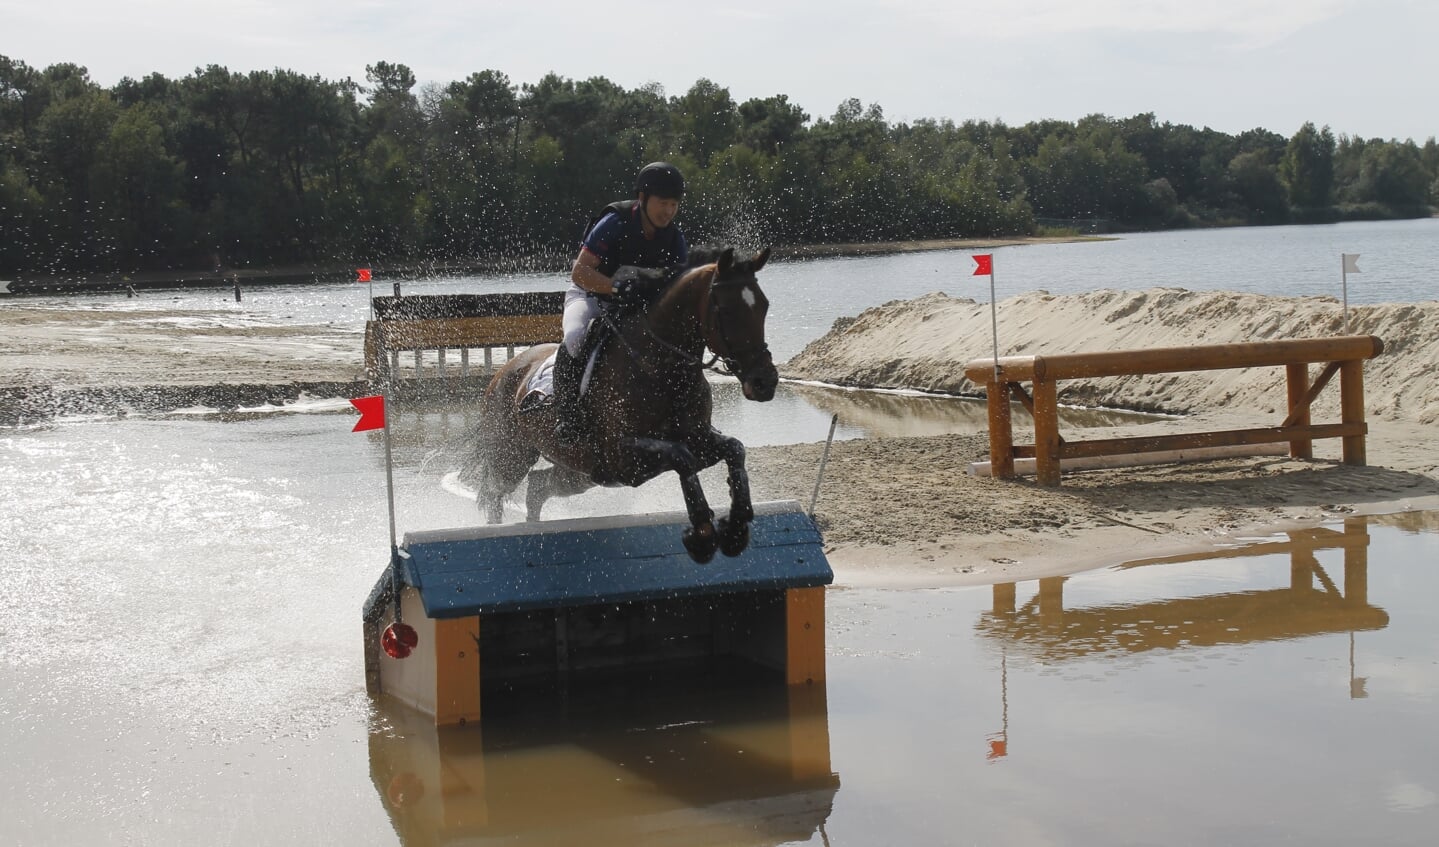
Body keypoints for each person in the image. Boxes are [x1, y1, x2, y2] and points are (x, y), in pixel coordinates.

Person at [552, 161, 689, 442]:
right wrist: (615, 287)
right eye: (663, 203)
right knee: (576, 337)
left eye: (674, 204)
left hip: (635, 306)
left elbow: (679, 286)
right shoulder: (615, 222)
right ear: (643, 197)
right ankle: (566, 417)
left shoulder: (674, 238)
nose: (669, 211)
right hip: (590, 296)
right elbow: (580, 272)